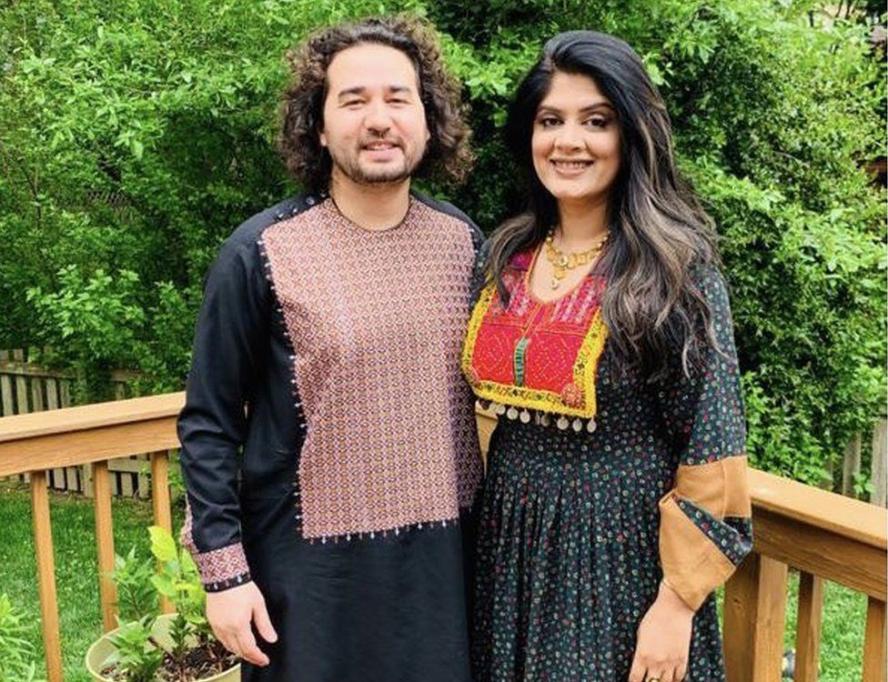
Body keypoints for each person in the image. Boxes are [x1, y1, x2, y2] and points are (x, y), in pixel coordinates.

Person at [177, 16, 484, 682]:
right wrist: (223, 575)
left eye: (398, 98)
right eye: (354, 100)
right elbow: (209, 423)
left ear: (428, 122)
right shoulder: (258, 252)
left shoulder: (465, 246)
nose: (379, 119)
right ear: (317, 126)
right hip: (307, 584)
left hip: (443, 578)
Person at [462, 31, 752, 682]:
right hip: (507, 552)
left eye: (596, 121)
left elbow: (714, 445)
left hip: (620, 562)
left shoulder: (674, 270)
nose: (569, 141)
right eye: (550, 121)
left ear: (632, 134)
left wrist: (675, 605)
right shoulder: (503, 257)